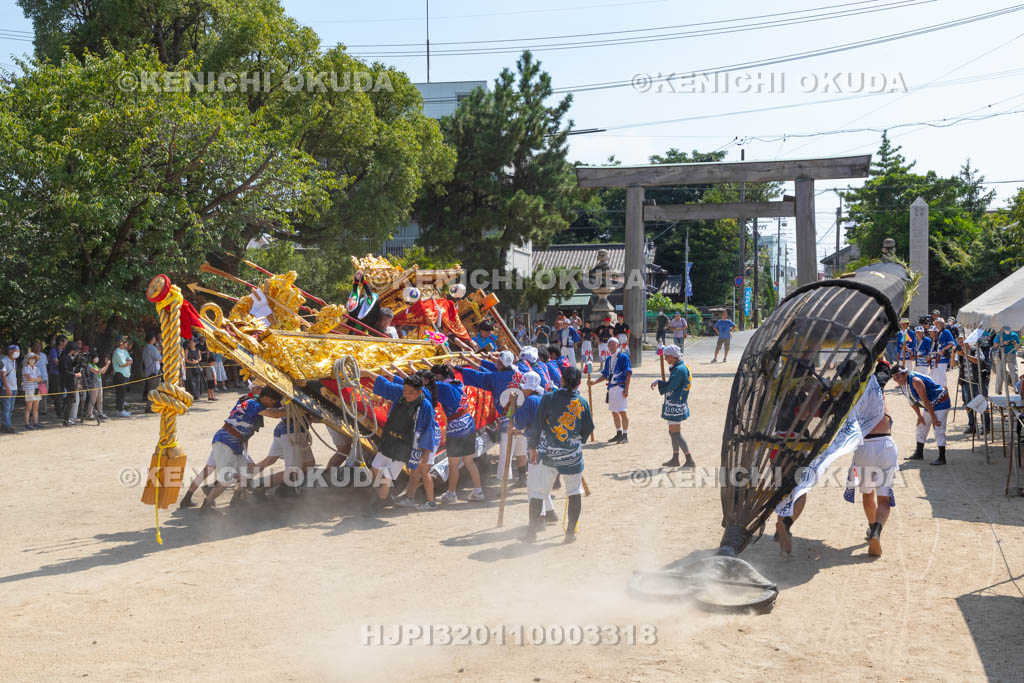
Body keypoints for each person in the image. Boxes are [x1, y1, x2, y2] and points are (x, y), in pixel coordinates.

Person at [774, 372, 896, 557]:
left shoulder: (848, 395)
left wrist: (822, 392)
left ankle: (784, 524)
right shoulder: (875, 388)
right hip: (885, 444)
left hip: (862, 447)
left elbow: (820, 411)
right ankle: (875, 531)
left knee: (785, 487)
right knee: (883, 500)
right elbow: (885, 369)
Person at [522, 366, 594, 544]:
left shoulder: (548, 398)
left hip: (549, 454)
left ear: (562, 380)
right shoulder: (582, 403)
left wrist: (533, 447)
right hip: (572, 455)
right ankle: (570, 533)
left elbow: (537, 425)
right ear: (578, 383)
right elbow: (588, 429)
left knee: (538, 492)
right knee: (574, 492)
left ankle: (532, 533)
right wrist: (576, 440)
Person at [359, 369, 438, 515]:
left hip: (406, 444)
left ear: (420, 391)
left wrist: (426, 450)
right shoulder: (400, 392)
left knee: (388, 475)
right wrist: (367, 372)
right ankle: (385, 496)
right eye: (405, 391)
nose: (407, 394)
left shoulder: (425, 406)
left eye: (411, 392)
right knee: (375, 469)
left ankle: (379, 502)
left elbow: (429, 429)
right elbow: (385, 384)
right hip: (390, 439)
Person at [200, 387, 285, 514]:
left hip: (234, 443)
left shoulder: (254, 402)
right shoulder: (252, 403)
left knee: (249, 472)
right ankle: (207, 504)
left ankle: (237, 498)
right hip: (225, 441)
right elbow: (273, 414)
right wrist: (290, 411)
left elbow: (274, 409)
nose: (273, 404)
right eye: (272, 402)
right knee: (227, 478)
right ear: (267, 399)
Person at [423, 364, 485, 504]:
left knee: (453, 464)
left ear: (439, 376)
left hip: (456, 429)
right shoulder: (457, 383)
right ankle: (478, 491)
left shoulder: (442, 387)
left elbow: (426, 383)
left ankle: (451, 494)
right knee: (469, 461)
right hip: (468, 424)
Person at [460, 350, 523, 483]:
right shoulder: (518, 373)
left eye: (497, 362)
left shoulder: (496, 377)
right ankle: (522, 478)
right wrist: (471, 359)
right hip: (523, 419)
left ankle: (503, 485)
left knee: (505, 456)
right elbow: (486, 370)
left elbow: (481, 375)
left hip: (508, 421)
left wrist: (458, 369)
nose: (496, 365)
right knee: (521, 451)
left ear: (502, 363)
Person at [892, 365, 951, 466]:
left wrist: (934, 418)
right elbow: (911, 401)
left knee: (938, 428)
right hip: (929, 405)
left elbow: (925, 400)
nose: (896, 379)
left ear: (905, 374)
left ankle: (942, 458)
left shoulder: (915, 381)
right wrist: (919, 416)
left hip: (941, 402)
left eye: (898, 376)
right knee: (921, 426)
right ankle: (919, 453)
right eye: (894, 377)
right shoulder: (903, 383)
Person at [651, 345, 694, 468]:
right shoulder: (677, 368)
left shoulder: (680, 370)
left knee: (675, 433)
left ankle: (689, 459)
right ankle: (675, 458)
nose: (665, 359)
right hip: (674, 402)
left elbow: (671, 386)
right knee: (672, 432)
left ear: (673, 356)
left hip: (676, 403)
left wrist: (660, 383)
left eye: (667, 356)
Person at [588, 336, 632, 444]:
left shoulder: (623, 357)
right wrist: (594, 382)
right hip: (611, 388)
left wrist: (626, 389)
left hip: (620, 387)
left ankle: (625, 435)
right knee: (614, 412)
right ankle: (619, 433)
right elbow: (605, 375)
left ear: (617, 345)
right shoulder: (608, 359)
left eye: (613, 344)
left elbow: (628, 373)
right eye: (609, 344)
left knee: (622, 411)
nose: (611, 346)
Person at [958, 336, 991, 435]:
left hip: (979, 381)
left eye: (962, 341)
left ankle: (986, 427)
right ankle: (972, 426)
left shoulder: (975, 349)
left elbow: (978, 361)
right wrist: (952, 354)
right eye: (959, 342)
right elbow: (953, 364)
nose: (961, 344)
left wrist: (965, 355)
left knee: (983, 404)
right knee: (968, 404)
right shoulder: (960, 352)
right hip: (966, 382)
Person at [58, 340, 84, 427]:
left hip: (70, 382)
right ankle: (66, 419)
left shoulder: (68, 357)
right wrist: (75, 374)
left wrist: (77, 361)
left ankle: (68, 419)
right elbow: (64, 371)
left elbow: (71, 366)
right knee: (67, 401)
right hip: (65, 382)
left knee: (71, 401)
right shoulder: (64, 357)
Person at [992, 325, 1021, 395]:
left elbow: (1018, 346)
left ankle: (1017, 389)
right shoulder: (999, 335)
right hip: (1001, 355)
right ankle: (998, 391)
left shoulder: (1014, 335)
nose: (1008, 331)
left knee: (1014, 372)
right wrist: (1003, 343)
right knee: (1000, 373)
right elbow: (995, 345)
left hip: (1011, 354)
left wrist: (1015, 344)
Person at [83, 353, 110, 423]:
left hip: (99, 385)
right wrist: (106, 365)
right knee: (93, 400)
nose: (97, 358)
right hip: (93, 385)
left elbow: (102, 372)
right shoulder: (89, 365)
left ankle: (100, 413)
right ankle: (89, 413)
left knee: (100, 400)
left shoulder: (95, 365)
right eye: (96, 357)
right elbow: (98, 371)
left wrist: (107, 365)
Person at [111, 336, 133, 417]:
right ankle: (120, 410)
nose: (127, 343)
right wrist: (129, 362)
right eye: (125, 341)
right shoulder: (117, 352)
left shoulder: (124, 351)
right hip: (119, 375)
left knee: (123, 393)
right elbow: (123, 364)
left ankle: (119, 409)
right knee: (120, 394)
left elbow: (130, 359)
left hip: (125, 375)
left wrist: (129, 361)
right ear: (121, 343)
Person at [22, 352, 44, 430]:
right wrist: (36, 379)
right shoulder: (25, 368)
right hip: (29, 389)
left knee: (36, 407)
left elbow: (40, 379)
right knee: (29, 407)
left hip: (37, 389)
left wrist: (35, 379)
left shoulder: (37, 368)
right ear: (27, 359)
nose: (32, 360)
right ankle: (27, 424)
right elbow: (29, 379)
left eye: (34, 359)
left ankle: (36, 422)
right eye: (31, 358)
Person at [931, 318, 955, 387]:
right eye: (937, 323)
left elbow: (952, 343)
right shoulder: (938, 333)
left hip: (943, 357)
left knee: (941, 376)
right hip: (938, 358)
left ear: (942, 324)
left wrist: (943, 349)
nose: (938, 325)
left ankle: (943, 391)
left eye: (939, 323)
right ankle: (942, 391)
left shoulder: (946, 331)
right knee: (939, 376)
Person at [1, 344, 18, 433]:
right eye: (16, 351)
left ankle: (5, 424)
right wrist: (7, 388)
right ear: (10, 351)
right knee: (6, 408)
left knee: (11, 408)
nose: (17, 353)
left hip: (14, 387)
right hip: (7, 388)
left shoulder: (14, 361)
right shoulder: (4, 361)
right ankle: (8, 425)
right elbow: (3, 376)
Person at [47, 335, 66, 414]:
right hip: (55, 374)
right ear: (61, 342)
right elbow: (56, 362)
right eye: (65, 341)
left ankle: (64, 411)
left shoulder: (65, 351)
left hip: (63, 374)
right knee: (57, 393)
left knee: (64, 393)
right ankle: (59, 412)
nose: (66, 343)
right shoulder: (53, 350)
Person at [30, 341, 49, 416]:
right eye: (36, 346)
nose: (38, 348)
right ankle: (32, 410)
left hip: (44, 377)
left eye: (39, 346)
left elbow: (46, 365)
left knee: (43, 394)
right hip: (34, 379)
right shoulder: (30, 356)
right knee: (33, 394)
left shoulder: (43, 355)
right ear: (32, 348)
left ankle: (43, 410)